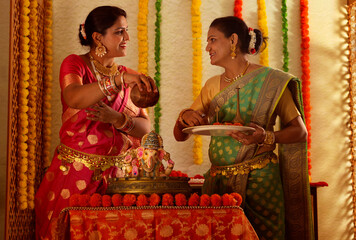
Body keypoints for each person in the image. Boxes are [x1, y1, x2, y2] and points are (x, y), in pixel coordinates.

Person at [174, 16, 313, 240]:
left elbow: (300, 131)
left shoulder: (272, 81)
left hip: (260, 181)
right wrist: (185, 116)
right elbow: (181, 135)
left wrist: (266, 137)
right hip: (219, 186)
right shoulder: (211, 86)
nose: (207, 47)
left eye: (212, 40)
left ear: (233, 40)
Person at [35, 6, 157, 239]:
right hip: (75, 175)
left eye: (127, 31)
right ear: (98, 37)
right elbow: (74, 97)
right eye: (120, 32)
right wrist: (118, 80)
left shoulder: (129, 74)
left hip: (118, 180)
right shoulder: (76, 64)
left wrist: (119, 119)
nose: (127, 38)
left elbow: (145, 129)